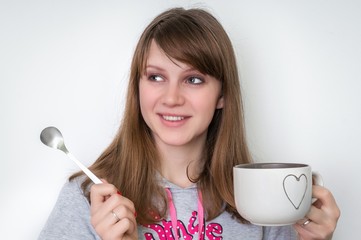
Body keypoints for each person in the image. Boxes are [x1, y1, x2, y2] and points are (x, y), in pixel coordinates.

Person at [39, 7, 340, 240]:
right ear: (138, 87)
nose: (171, 98)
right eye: (156, 77)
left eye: (193, 79)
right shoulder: (88, 198)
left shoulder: (264, 201)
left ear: (222, 94)